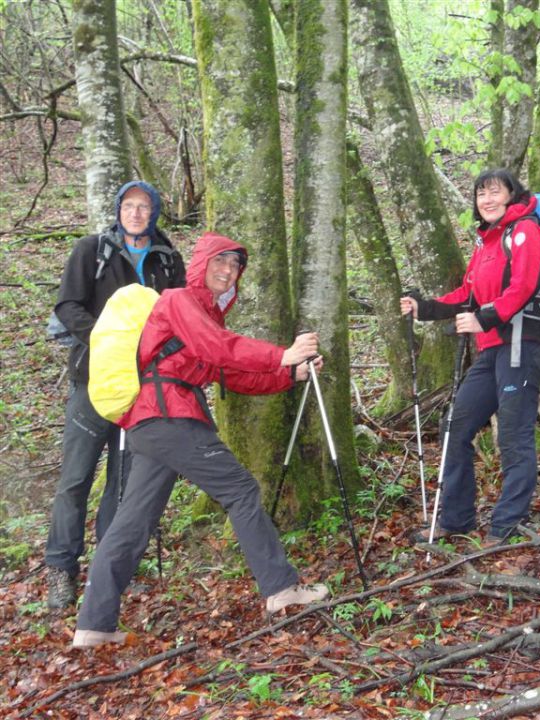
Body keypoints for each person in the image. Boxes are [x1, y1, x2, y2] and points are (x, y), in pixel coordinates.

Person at [73, 232, 328, 648]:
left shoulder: (205, 316)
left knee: (132, 524)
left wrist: (288, 375)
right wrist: (281, 354)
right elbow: (218, 348)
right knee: (241, 489)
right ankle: (281, 590)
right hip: (170, 417)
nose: (228, 271)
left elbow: (227, 372)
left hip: (152, 423)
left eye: (235, 266)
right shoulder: (178, 301)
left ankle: (93, 627)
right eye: (220, 262)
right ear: (200, 265)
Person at [45, 180, 186, 610]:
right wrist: (108, 340)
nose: (136, 214)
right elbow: (68, 306)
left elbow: (181, 315)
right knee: (76, 478)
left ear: (155, 212)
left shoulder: (167, 260)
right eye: (129, 206)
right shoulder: (92, 251)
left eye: (144, 207)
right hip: (94, 382)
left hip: (145, 389)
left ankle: (110, 570)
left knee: (124, 484)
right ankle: (60, 569)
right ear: (118, 210)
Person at [400, 169, 540, 546]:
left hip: (522, 343)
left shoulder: (526, 231)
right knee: (456, 425)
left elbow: (524, 286)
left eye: (493, 192)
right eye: (480, 194)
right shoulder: (487, 243)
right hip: (492, 347)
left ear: (511, 195)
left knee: (514, 436)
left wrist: (483, 318)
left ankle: (506, 527)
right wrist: (427, 308)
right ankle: (456, 518)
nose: (485, 200)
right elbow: (468, 294)